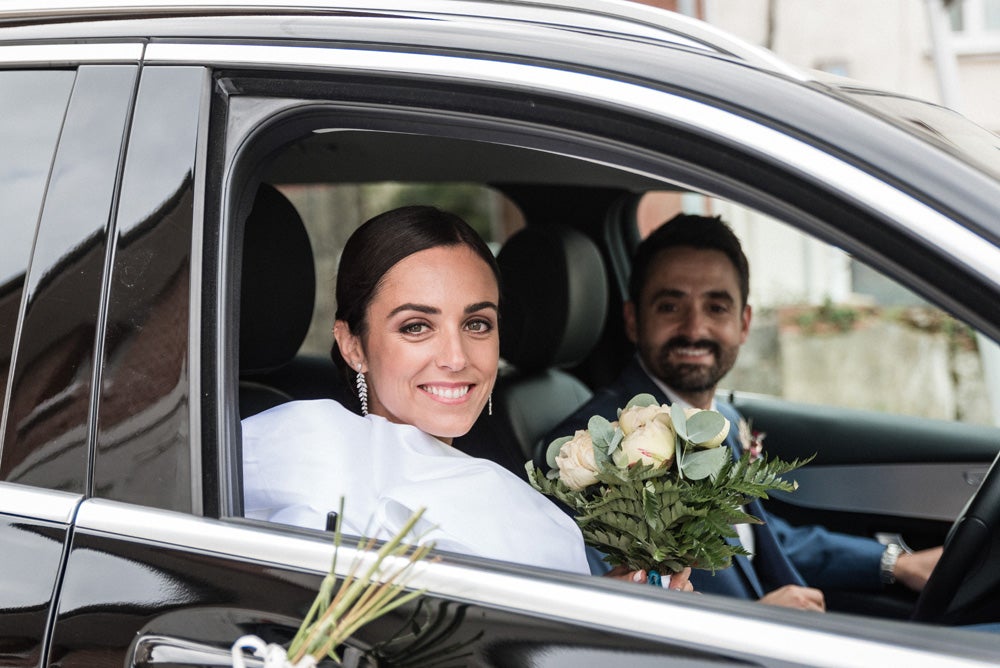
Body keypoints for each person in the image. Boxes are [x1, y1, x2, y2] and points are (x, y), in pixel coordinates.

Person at [241, 205, 691, 589]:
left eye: (477, 324)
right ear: (353, 345)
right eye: (416, 326)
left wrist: (604, 610)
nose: (456, 358)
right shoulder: (302, 460)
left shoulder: (517, 498)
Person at [545, 213, 941, 610]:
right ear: (633, 320)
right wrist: (759, 620)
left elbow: (756, 542)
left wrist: (895, 563)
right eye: (670, 306)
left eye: (716, 307)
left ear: (744, 322)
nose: (694, 328)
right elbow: (608, 607)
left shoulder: (722, 423)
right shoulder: (593, 454)